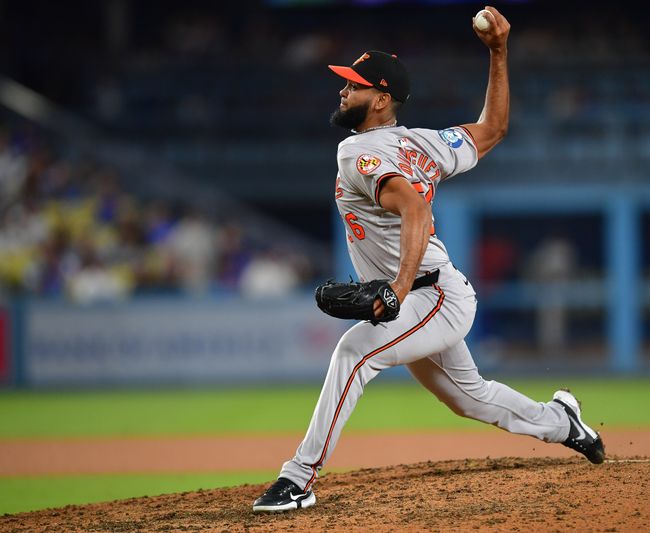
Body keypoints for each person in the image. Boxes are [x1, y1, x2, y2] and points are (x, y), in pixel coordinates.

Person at [252, 6, 604, 513]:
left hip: (429, 294)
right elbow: (494, 127)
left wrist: (394, 291)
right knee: (469, 397)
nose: (343, 91)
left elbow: (414, 208)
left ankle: (298, 479)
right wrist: (500, 53)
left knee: (354, 353)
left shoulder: (358, 153)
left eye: (353, 85)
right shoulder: (424, 144)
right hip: (428, 295)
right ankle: (562, 421)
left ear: (381, 98)